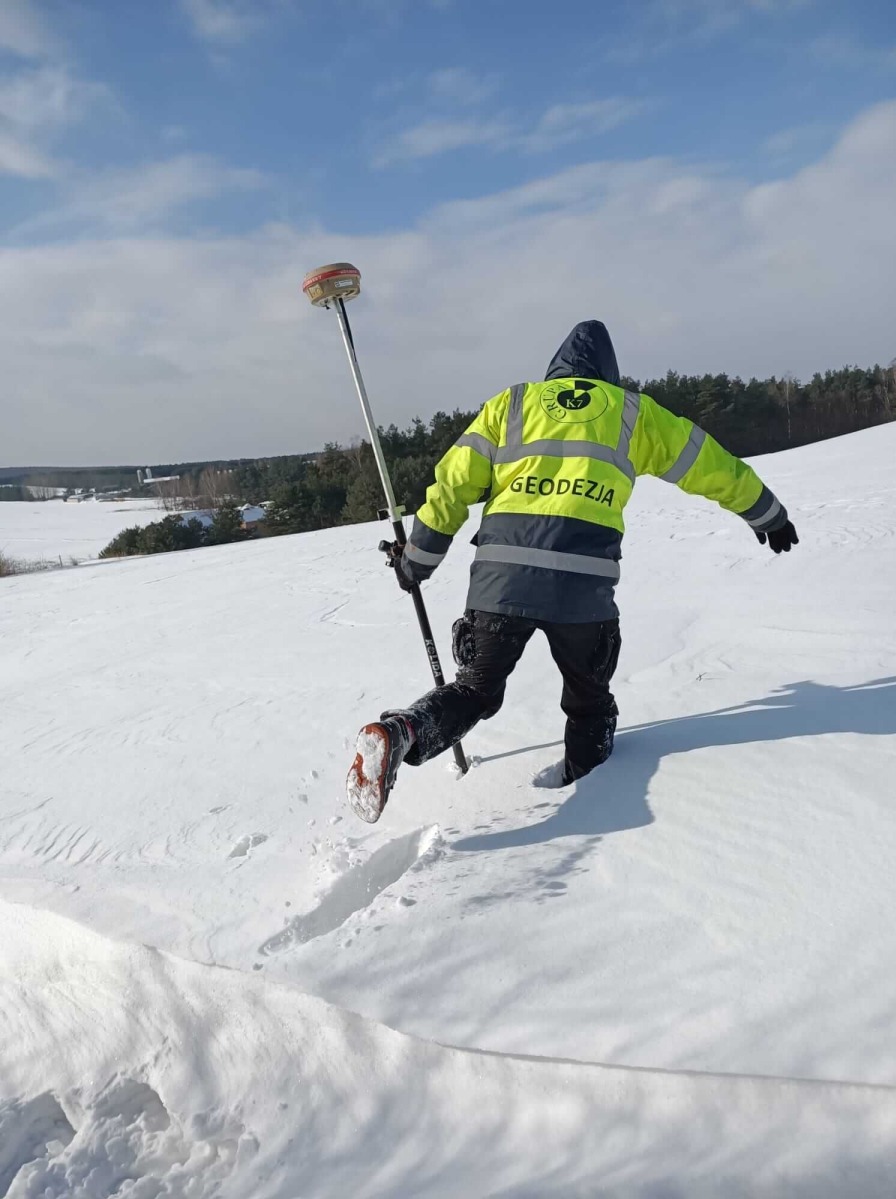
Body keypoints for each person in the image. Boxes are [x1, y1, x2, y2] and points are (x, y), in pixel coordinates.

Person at [347, 321, 798, 823]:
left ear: (556, 368)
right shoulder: (633, 414)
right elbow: (709, 463)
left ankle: (402, 731)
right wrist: (767, 513)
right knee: (588, 700)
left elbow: (453, 484)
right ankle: (591, 798)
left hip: (502, 583)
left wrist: (417, 561)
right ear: (608, 372)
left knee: (475, 690)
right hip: (583, 593)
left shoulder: (513, 405)